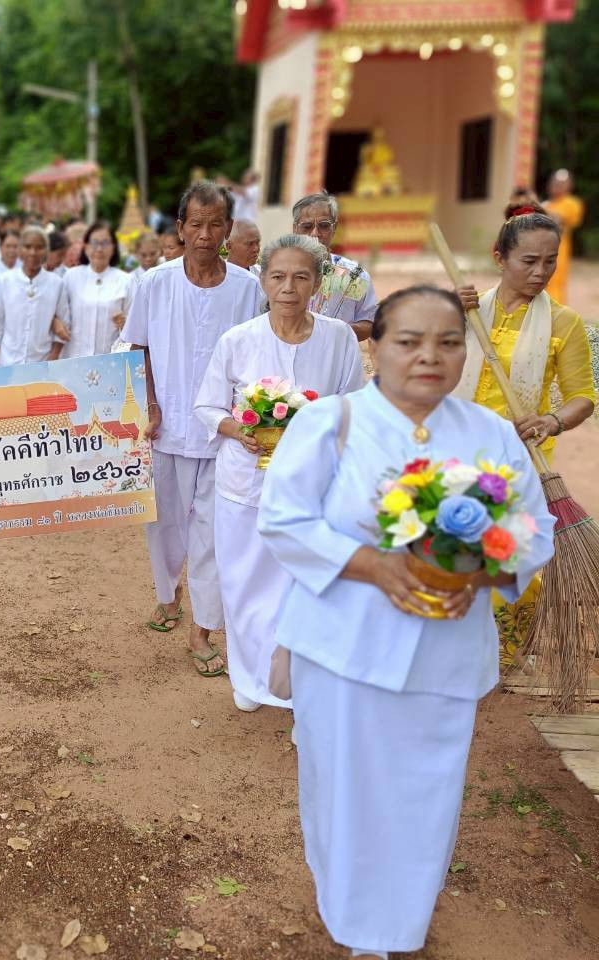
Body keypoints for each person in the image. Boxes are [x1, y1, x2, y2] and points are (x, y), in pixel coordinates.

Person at [257, 286, 555, 960]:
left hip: (446, 651)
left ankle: (396, 926)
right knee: (344, 790)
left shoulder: (491, 433)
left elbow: (532, 533)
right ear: (375, 346)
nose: (430, 356)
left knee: (426, 794)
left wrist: (479, 573)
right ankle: (353, 920)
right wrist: (371, 564)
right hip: (343, 649)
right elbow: (283, 520)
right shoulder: (331, 422)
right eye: (409, 341)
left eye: (449, 342)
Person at [194, 234, 365, 712]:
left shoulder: (339, 337)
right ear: (262, 280)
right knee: (245, 583)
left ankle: (298, 684)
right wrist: (237, 428)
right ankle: (249, 680)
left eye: (300, 276)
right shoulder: (238, 340)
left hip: (314, 487)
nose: (288, 287)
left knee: (304, 583)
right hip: (245, 483)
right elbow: (207, 405)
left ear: (316, 282)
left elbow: (356, 404)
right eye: (277, 276)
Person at [122, 182, 264, 676]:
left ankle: (201, 630)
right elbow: (137, 347)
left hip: (223, 434)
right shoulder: (154, 283)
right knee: (162, 526)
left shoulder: (248, 289)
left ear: (228, 230)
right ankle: (169, 593)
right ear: (180, 228)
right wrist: (152, 405)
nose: (205, 234)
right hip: (165, 429)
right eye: (196, 224)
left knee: (212, 533)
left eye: (215, 224)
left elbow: (255, 359)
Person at [454, 208, 595, 463]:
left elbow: (583, 397)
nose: (541, 272)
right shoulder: (469, 311)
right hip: (455, 443)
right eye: (529, 261)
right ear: (500, 259)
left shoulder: (563, 322)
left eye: (550, 261)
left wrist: (552, 421)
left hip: (520, 456)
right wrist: (445, 315)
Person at [292, 192, 378, 341]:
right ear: (295, 229)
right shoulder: (277, 272)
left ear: (335, 227)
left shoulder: (354, 276)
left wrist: (332, 332)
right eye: (307, 226)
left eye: (324, 226)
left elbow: (369, 323)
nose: (315, 233)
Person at [0, 226, 71, 366]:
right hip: (7, 362)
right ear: (20, 250)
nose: (33, 252)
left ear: (46, 251)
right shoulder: (4, 281)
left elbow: (64, 323)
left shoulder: (56, 283)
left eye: (39, 247)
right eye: (27, 247)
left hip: (42, 362)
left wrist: (53, 358)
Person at [61, 221, 132, 359]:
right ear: (86, 246)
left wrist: (125, 322)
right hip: (74, 360)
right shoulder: (71, 276)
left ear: (113, 248)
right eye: (94, 243)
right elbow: (60, 316)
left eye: (105, 243)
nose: (99, 249)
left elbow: (135, 324)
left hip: (110, 362)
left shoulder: (126, 280)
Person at [544, 169, 585, 304]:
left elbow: (560, 218)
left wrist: (540, 211)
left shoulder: (572, 203)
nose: (557, 186)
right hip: (541, 249)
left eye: (561, 183)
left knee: (555, 280)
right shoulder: (547, 204)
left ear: (569, 185)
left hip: (559, 250)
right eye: (555, 182)